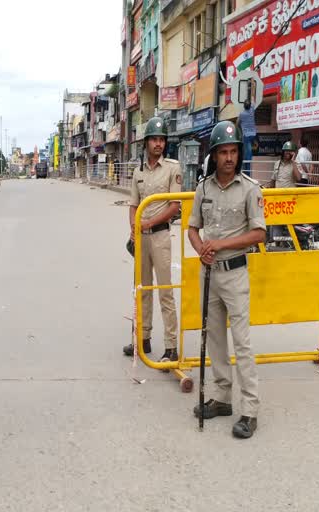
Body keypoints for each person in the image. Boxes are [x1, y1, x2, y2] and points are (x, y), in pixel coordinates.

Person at [187, 120, 266, 439]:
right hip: (209, 274)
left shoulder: (250, 189)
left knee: (242, 343)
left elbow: (260, 233)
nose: (229, 158)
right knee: (215, 338)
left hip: (235, 273)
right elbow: (193, 228)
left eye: (234, 151)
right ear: (214, 155)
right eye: (223, 152)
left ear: (239, 153)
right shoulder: (203, 188)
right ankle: (221, 398)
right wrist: (200, 250)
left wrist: (219, 245)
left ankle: (250, 410)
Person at [123, 116, 182, 365]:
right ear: (146, 142)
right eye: (154, 139)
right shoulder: (138, 171)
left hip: (159, 235)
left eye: (161, 139)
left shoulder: (172, 168)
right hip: (142, 238)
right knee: (142, 290)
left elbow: (175, 206)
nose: (158, 144)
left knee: (165, 291)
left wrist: (147, 223)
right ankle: (143, 338)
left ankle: (171, 347)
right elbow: (134, 204)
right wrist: (133, 228)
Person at [236, 100, 257, 176]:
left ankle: (247, 174)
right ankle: (246, 171)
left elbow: (237, 123)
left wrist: (240, 130)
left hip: (246, 135)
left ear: (244, 106)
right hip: (253, 134)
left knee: (247, 155)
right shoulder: (252, 111)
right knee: (248, 152)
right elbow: (253, 100)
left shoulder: (242, 114)